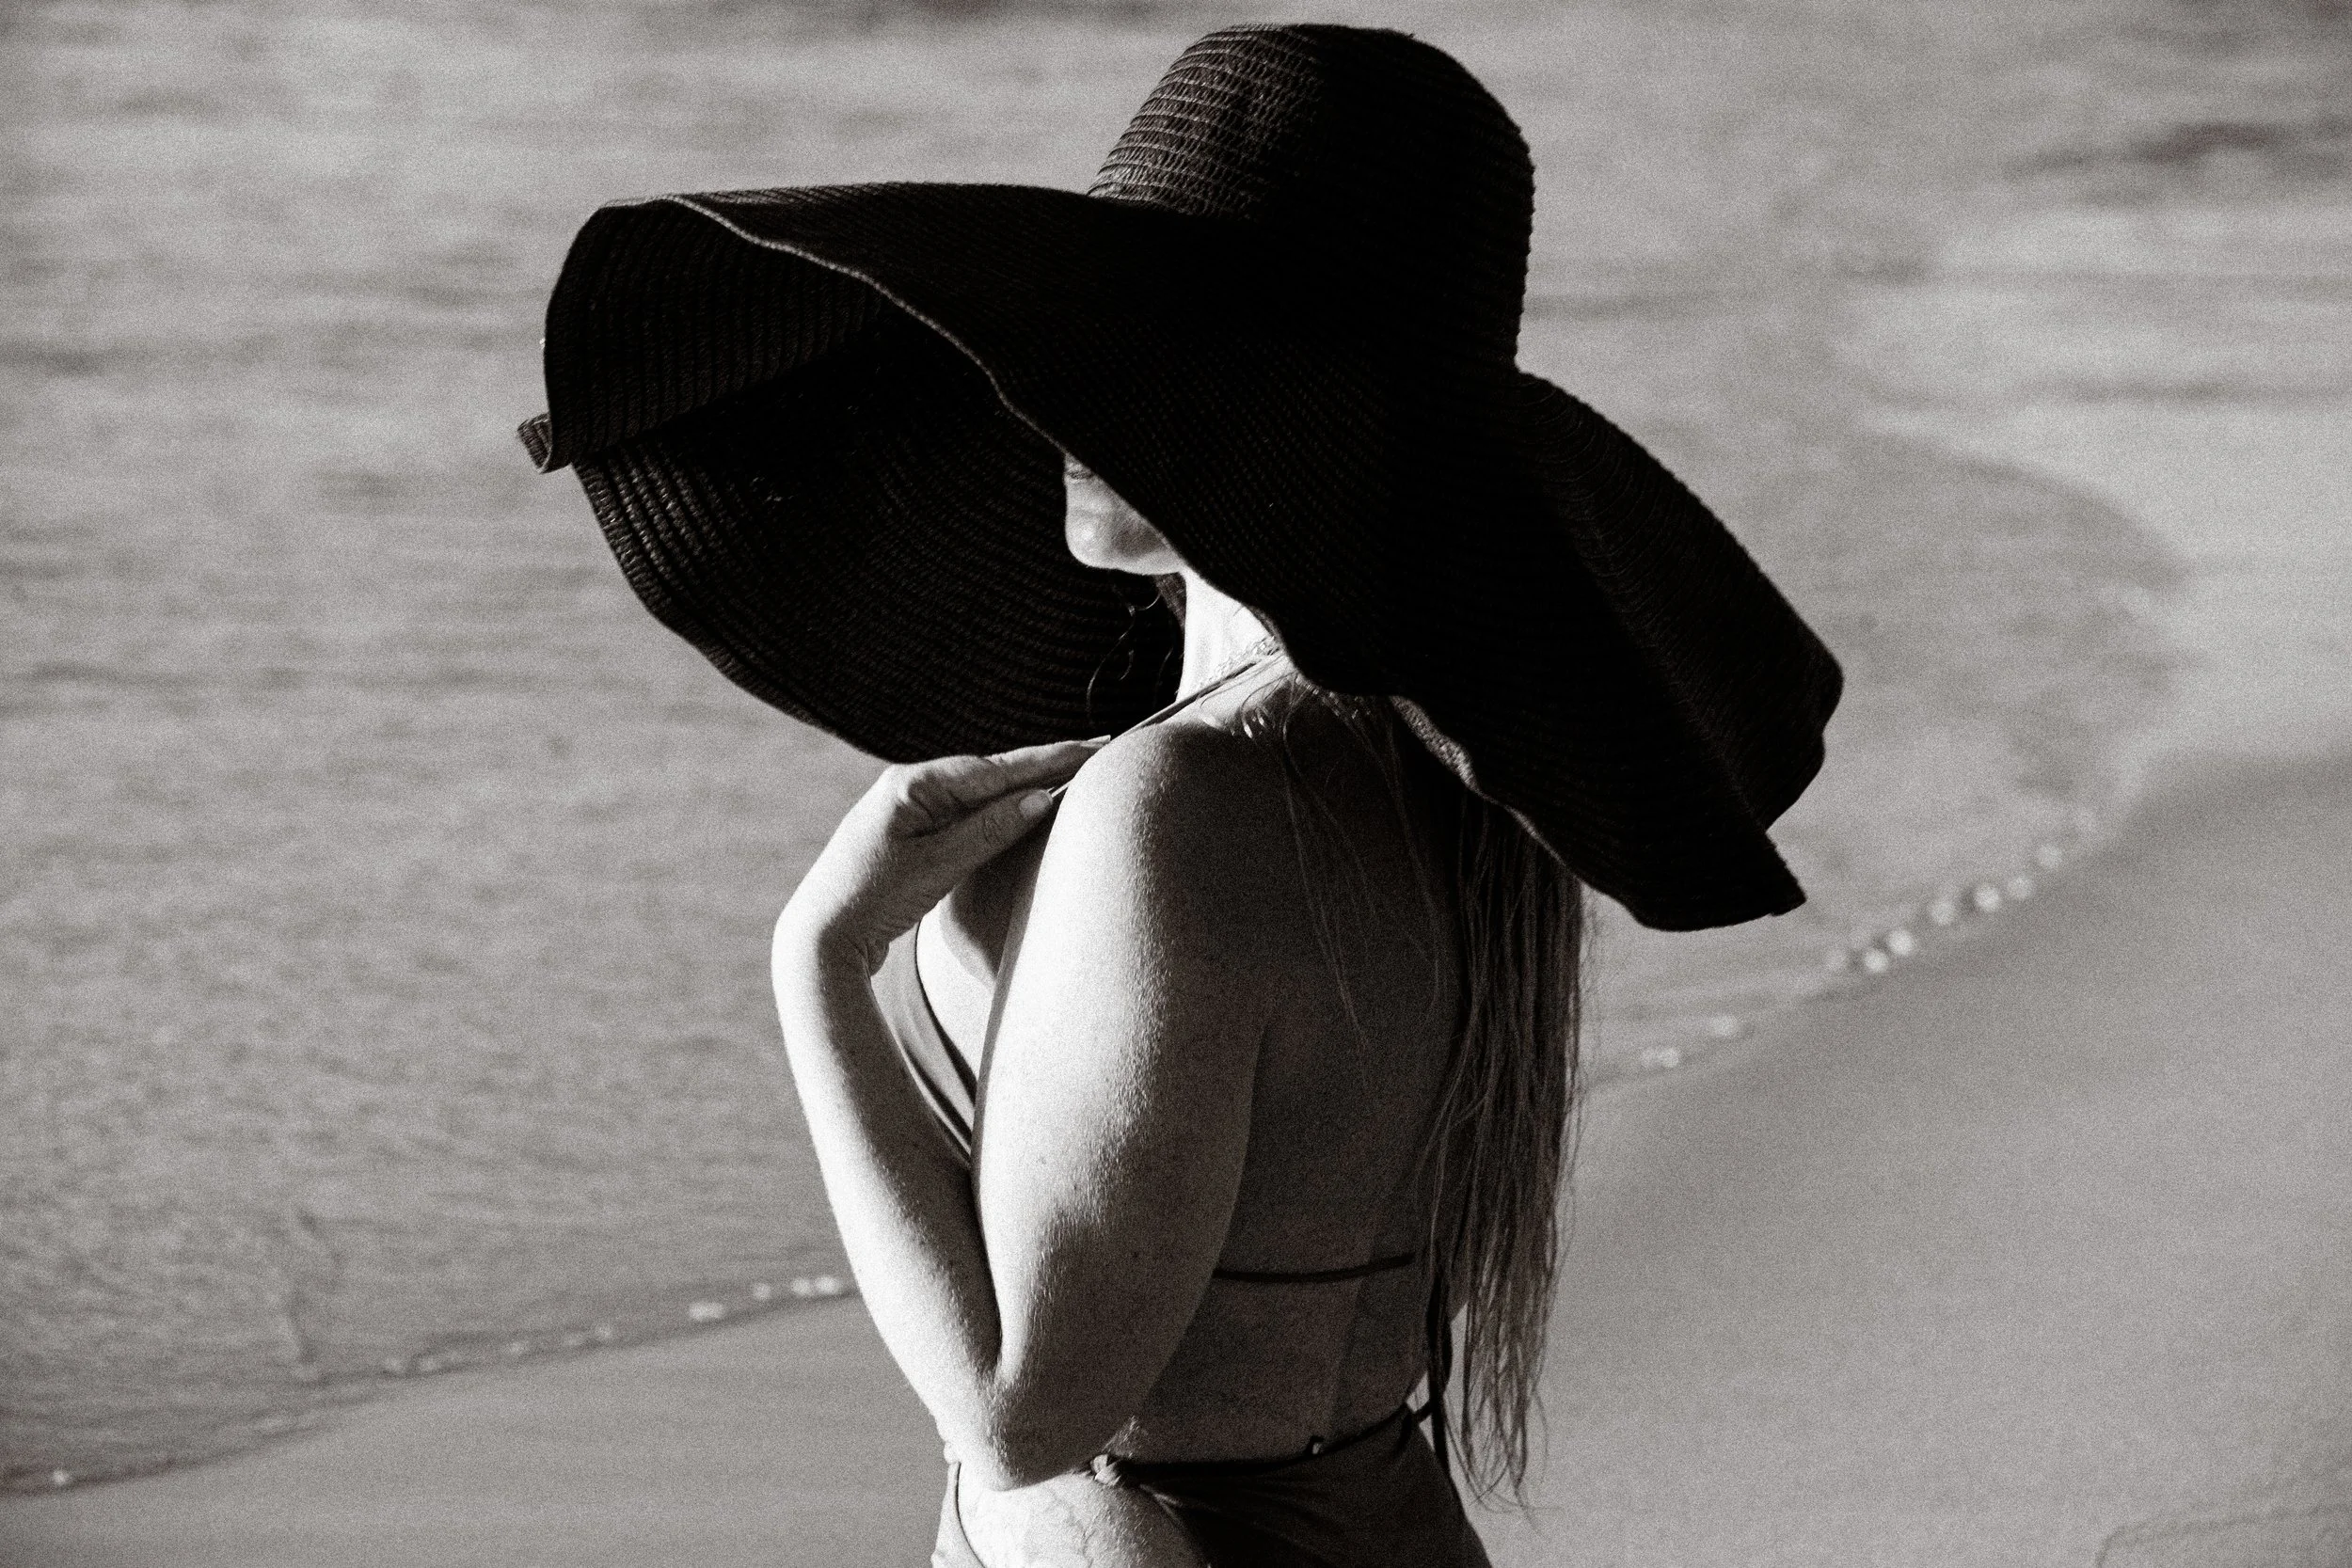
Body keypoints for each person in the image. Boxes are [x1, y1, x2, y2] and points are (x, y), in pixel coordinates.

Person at [520, 24, 1841, 1566]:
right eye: (1092, 345)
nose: (1073, 404)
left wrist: (817, 966)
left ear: (1291, 425)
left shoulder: (1194, 799)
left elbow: (1022, 1417)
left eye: (1153, 363)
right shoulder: (1459, 783)